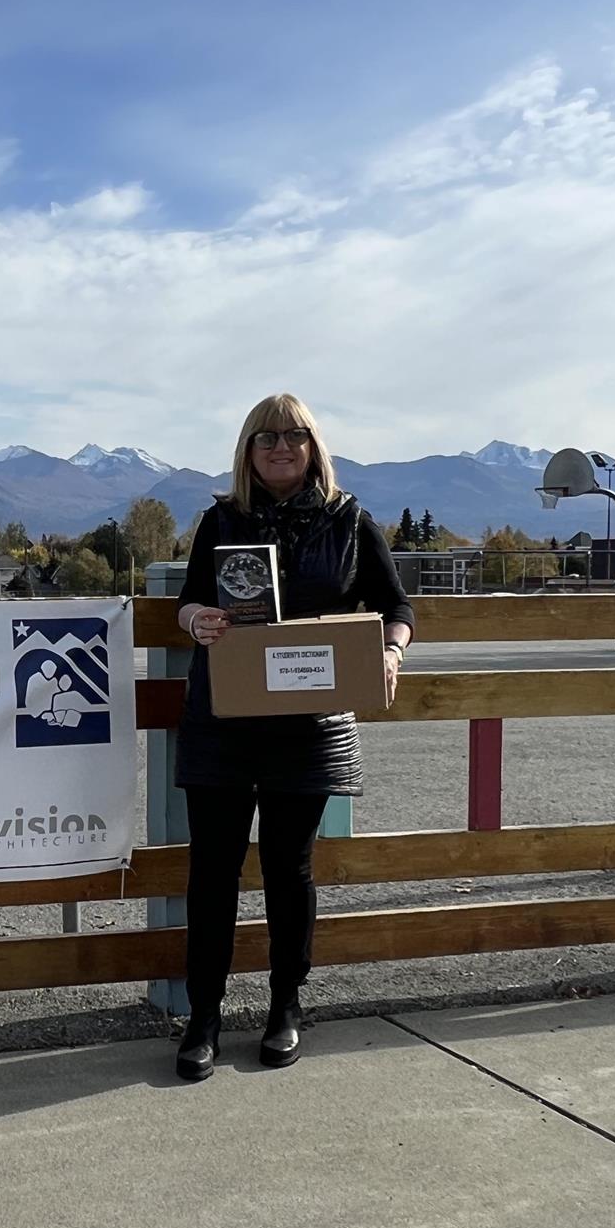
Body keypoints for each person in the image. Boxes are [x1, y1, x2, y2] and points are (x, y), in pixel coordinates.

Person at [173, 393, 415, 1081]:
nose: (280, 447)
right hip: (223, 720)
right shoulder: (220, 521)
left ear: (313, 446)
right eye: (265, 436)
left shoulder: (350, 521)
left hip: (309, 727)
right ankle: (204, 1017)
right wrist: (196, 621)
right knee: (212, 874)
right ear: (247, 449)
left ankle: (285, 1007)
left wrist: (390, 652)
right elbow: (188, 597)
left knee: (288, 869)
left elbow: (394, 606)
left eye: (294, 436)